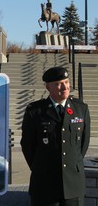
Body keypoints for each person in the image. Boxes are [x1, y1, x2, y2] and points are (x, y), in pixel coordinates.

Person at [20, 66, 91, 206]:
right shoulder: (35, 111)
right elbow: (28, 146)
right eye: (58, 84)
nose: (64, 87)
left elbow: (83, 144)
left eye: (66, 82)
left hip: (73, 185)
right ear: (48, 87)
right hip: (44, 184)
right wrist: (41, 167)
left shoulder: (81, 109)